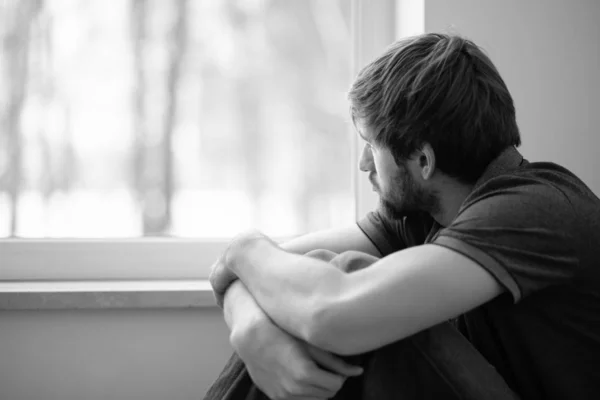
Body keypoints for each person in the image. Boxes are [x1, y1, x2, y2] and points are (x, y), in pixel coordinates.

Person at [206, 33, 600, 400]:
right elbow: (255, 271)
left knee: (352, 283)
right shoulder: (431, 212)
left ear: (423, 160)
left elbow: (329, 312)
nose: (363, 165)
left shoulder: (533, 209)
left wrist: (244, 247)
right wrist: (251, 329)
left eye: (370, 145)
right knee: (314, 277)